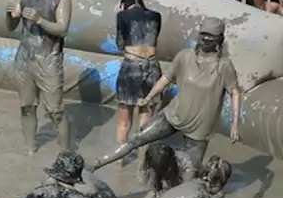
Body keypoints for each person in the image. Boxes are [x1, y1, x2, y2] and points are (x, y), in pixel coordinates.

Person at [92, 19, 240, 172]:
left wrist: (235, 123)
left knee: (189, 171)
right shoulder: (184, 57)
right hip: (174, 114)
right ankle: (95, 165)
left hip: (200, 126)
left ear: (220, 40)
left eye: (211, 36)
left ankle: (169, 190)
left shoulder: (224, 66)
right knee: (136, 139)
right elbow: (166, 79)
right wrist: (148, 98)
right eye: (204, 34)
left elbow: (235, 91)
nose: (206, 39)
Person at [1, 0, 72, 153]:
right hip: (25, 59)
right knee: (26, 106)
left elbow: (63, 29)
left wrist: (40, 20)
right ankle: (30, 150)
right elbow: (10, 27)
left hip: (48, 60)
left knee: (55, 111)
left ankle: (65, 154)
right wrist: (10, 15)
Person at [112, 0, 163, 147]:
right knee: (146, 122)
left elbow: (120, 44)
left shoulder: (122, 16)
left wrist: (119, 15)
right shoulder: (156, 16)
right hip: (152, 67)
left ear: (123, 5)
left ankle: (118, 164)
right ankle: (142, 164)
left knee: (124, 122)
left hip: (131, 67)